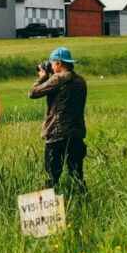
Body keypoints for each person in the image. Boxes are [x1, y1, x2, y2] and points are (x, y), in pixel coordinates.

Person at [29, 46, 87, 190]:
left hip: (57, 134)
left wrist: (42, 76)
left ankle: (51, 209)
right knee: (77, 175)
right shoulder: (80, 81)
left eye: (53, 63)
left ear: (60, 63)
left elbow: (33, 93)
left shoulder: (58, 79)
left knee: (51, 177)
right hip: (76, 134)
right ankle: (84, 199)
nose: (51, 66)